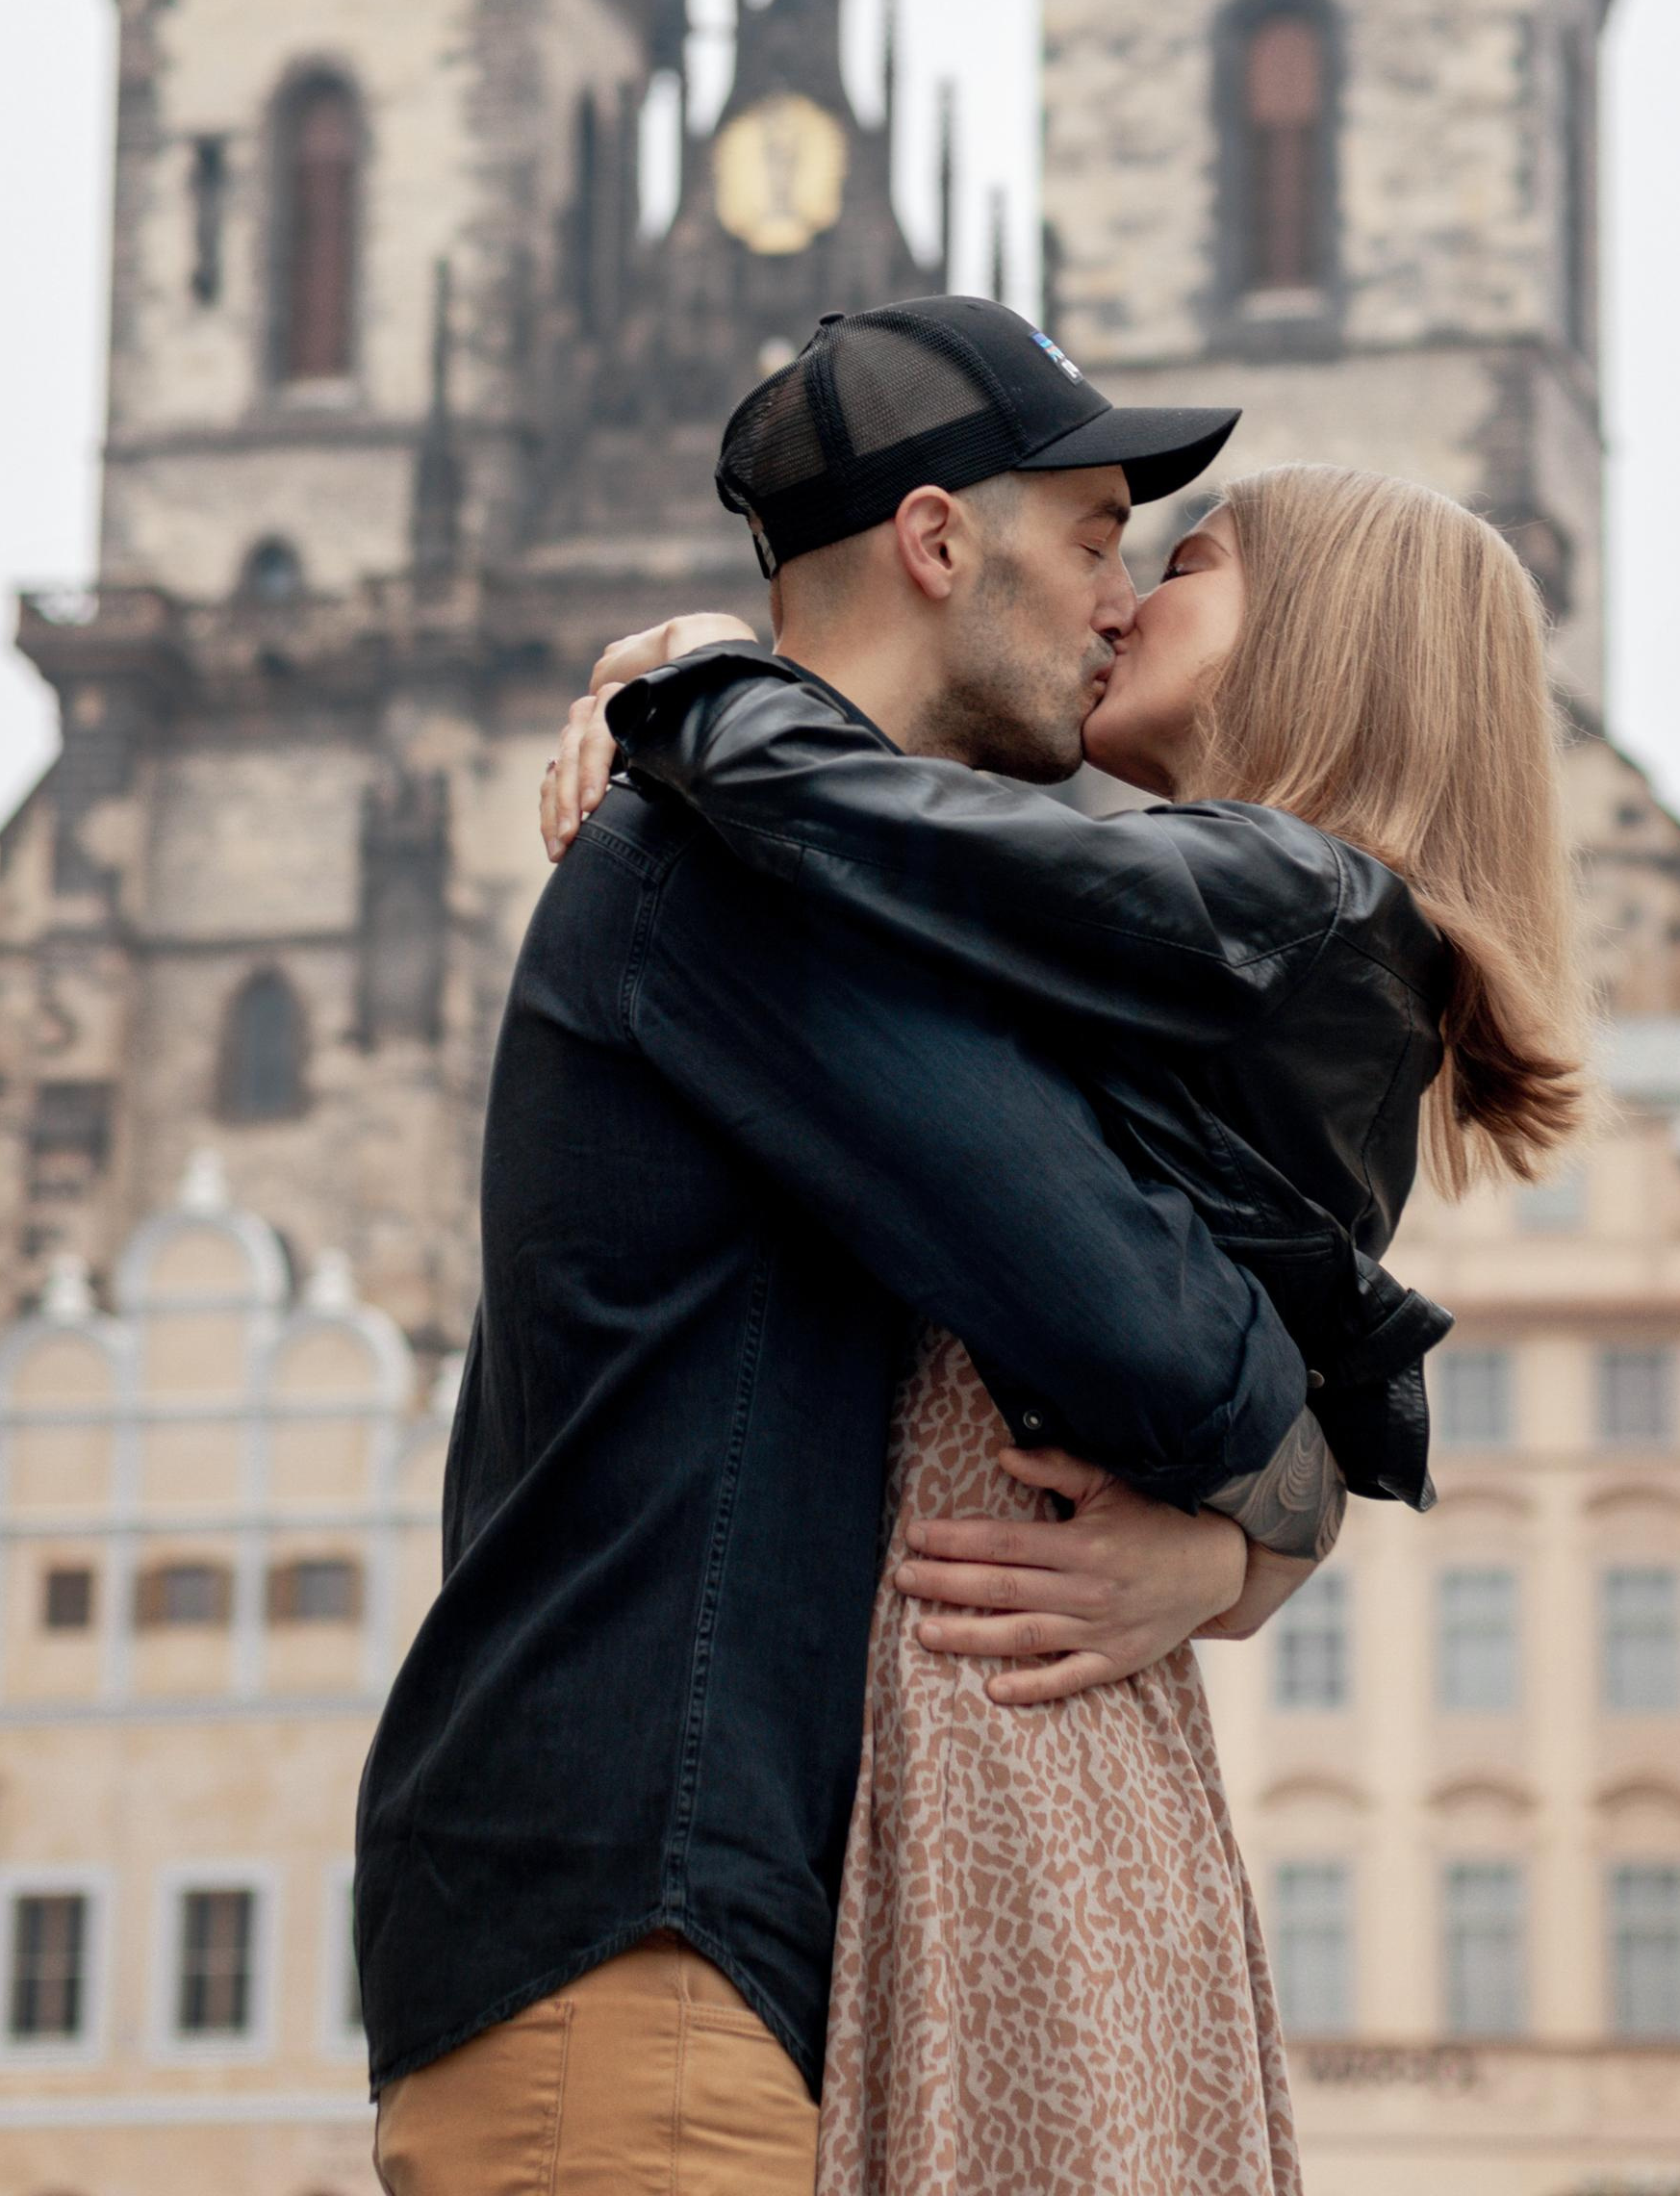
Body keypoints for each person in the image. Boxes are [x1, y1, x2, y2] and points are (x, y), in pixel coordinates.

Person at [358, 297, 1340, 2196]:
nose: (1119, 596)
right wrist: (1263, 1519)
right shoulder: (734, 884)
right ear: (940, 542)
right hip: (630, 1948)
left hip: (668, 1944)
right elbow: (1152, 1337)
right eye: (1093, 534)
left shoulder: (796, 858)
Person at [549, 429, 1591, 2196]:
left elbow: (877, 828)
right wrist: (1261, 1543)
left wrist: (711, 678)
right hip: (1048, 1685)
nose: (1116, 602)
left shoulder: (1285, 905)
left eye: (1181, 563)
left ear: (1320, 639)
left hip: (993, 1689)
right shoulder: (1255, 932)